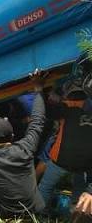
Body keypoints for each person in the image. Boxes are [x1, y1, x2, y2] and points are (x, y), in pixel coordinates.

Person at [0, 70, 47, 219]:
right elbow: (38, 120)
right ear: (12, 136)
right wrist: (39, 89)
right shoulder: (25, 148)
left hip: (5, 215)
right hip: (33, 211)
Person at [38, 80, 92, 211]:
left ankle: (37, 214)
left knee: (44, 188)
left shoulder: (65, 108)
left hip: (60, 161)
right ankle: (76, 216)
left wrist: (39, 90)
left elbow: (46, 110)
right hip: (84, 165)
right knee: (79, 195)